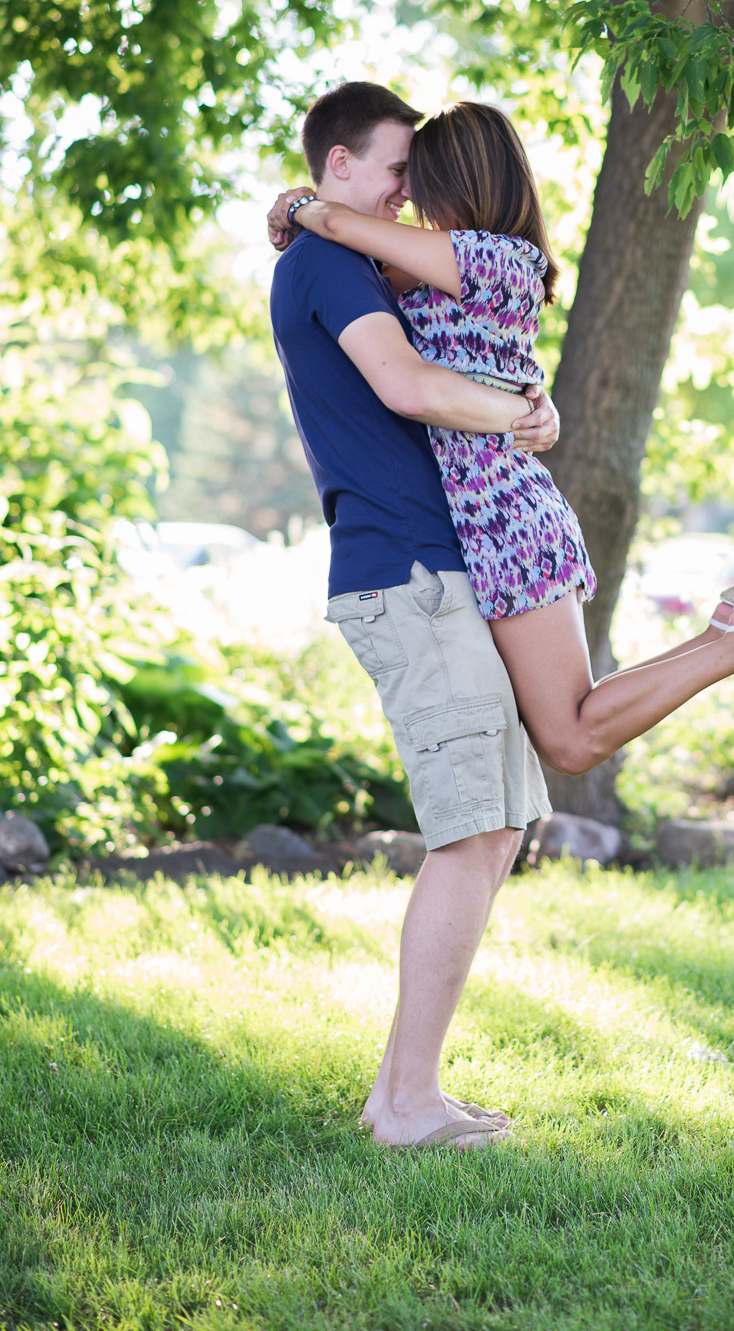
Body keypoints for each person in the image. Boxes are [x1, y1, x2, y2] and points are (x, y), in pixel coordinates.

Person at [269, 99, 734, 795]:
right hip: (481, 523)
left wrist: (300, 206)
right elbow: (356, 270)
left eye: (416, 177)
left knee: (571, 739)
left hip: (506, 519)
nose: (407, 194)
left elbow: (338, 225)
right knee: (570, 725)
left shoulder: (493, 259)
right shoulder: (438, 265)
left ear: (458, 178)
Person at [269, 82, 561, 1154]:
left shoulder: (359, 253)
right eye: (396, 173)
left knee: (493, 831)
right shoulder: (325, 261)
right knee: (470, 833)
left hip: (442, 569)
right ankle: (408, 1107)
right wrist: (525, 414)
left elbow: (465, 344)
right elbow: (404, 384)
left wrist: (529, 403)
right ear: (337, 167)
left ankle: (401, 1092)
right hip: (408, 575)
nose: (410, 196)